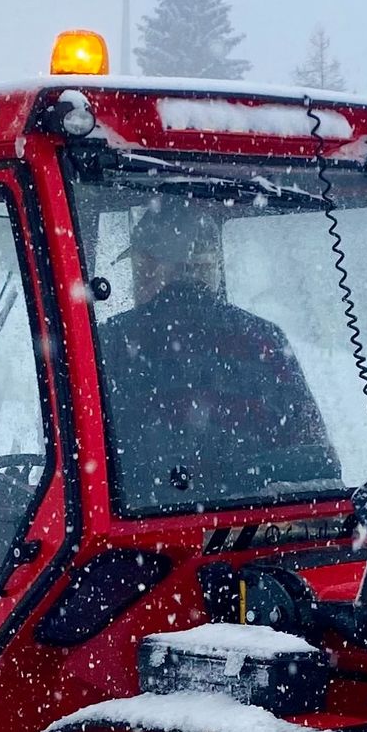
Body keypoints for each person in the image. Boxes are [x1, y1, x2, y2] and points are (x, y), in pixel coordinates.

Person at [96, 198, 341, 508]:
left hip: (141, 535)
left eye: (140, 266)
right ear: (208, 269)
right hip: (261, 528)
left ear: (154, 267)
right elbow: (316, 456)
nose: (137, 278)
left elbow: (88, 459)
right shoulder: (264, 339)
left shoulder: (114, 341)